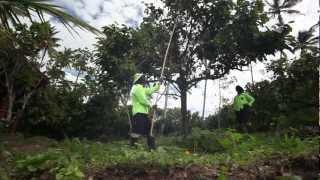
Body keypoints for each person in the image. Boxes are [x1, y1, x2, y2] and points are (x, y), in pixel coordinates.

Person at [129, 73, 160, 150]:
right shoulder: (136, 87)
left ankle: (152, 148)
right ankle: (133, 147)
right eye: (143, 78)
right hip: (138, 113)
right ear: (139, 79)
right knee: (136, 131)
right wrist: (151, 105)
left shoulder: (141, 88)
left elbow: (150, 91)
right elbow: (142, 99)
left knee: (150, 130)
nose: (145, 79)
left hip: (144, 113)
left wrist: (159, 83)